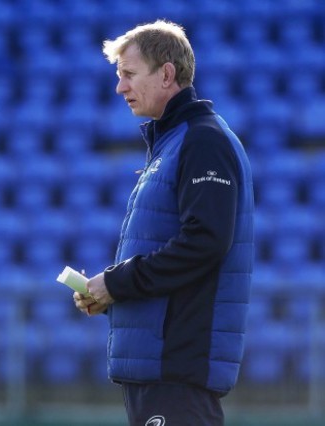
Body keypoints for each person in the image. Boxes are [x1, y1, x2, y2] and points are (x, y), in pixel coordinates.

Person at [72, 20, 254, 426]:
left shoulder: (203, 140)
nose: (120, 87)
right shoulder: (174, 143)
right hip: (159, 370)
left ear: (167, 74)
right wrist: (108, 293)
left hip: (176, 369)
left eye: (129, 75)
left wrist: (117, 282)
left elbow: (205, 242)